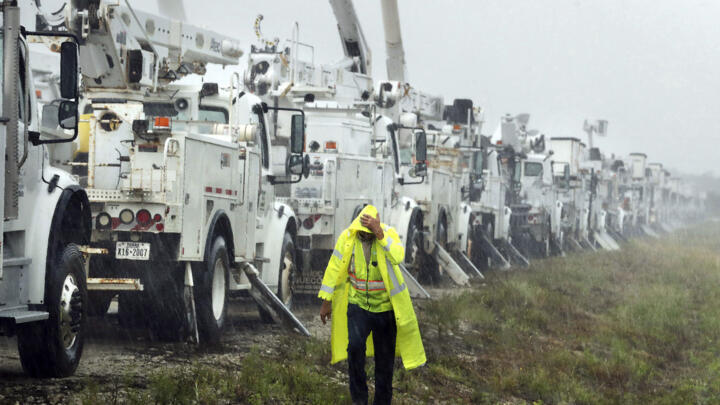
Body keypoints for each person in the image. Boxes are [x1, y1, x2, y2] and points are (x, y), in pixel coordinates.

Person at [318, 205, 425, 405]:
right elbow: (333, 269)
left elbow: (398, 256)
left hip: (385, 311)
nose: (365, 236)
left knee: (384, 364)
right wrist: (326, 301)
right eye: (363, 232)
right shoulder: (348, 238)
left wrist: (379, 233)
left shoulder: (387, 234)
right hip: (358, 307)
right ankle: (359, 400)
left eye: (369, 232)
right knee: (355, 350)